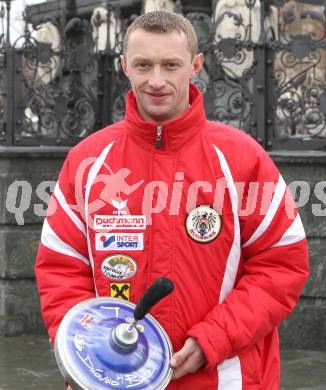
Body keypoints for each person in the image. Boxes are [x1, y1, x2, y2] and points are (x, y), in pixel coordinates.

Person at [35, 10, 309, 390]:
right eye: (143, 65)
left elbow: (281, 267)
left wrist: (212, 338)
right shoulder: (86, 161)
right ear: (123, 67)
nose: (157, 81)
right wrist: (84, 355)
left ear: (195, 66)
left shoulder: (243, 160)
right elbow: (61, 270)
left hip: (224, 379)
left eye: (171, 65)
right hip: (112, 381)